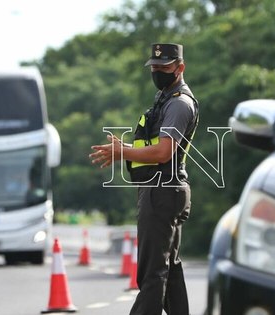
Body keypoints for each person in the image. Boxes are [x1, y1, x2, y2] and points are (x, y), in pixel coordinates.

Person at [89, 43, 199, 315]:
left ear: (180, 68)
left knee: (152, 274)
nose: (158, 72)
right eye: (154, 67)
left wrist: (122, 151)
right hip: (164, 190)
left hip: (162, 191)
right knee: (168, 270)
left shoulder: (178, 104)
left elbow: (163, 152)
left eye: (164, 67)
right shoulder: (166, 99)